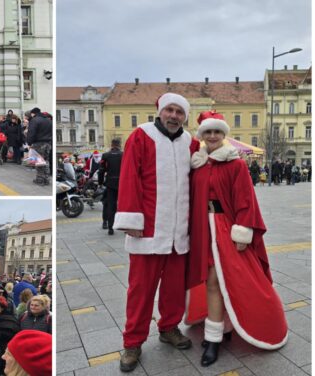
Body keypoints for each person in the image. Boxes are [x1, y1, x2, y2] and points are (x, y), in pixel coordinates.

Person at [186, 110, 288, 366]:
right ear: (201, 135)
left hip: (226, 228)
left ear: (223, 135)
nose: (212, 136)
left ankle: (217, 337)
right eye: (207, 132)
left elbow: (246, 200)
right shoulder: (196, 165)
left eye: (217, 132)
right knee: (211, 280)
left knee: (227, 279)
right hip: (203, 229)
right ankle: (220, 331)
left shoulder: (236, 164)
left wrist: (243, 231)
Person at [112, 93, 198, 372]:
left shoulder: (190, 142)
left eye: (179, 112)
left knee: (174, 288)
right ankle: (133, 342)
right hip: (147, 231)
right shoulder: (141, 136)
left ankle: (169, 327)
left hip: (178, 232)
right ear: (160, 111)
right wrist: (131, 221)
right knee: (141, 291)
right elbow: (129, 178)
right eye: (169, 110)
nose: (174, 116)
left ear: (185, 116)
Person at [99, 138, 123, 234]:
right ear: (119, 145)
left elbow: (101, 170)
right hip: (121, 183)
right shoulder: (123, 155)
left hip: (110, 183)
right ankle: (124, 225)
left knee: (109, 204)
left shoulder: (105, 155)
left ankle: (109, 227)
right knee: (123, 205)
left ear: (112, 145)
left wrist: (100, 183)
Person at [26, 107, 52, 186]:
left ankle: (40, 179)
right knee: (46, 161)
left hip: (38, 144)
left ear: (33, 113)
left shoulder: (34, 120)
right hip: (48, 143)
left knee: (39, 162)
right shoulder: (48, 120)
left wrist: (29, 143)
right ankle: (46, 179)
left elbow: (31, 133)